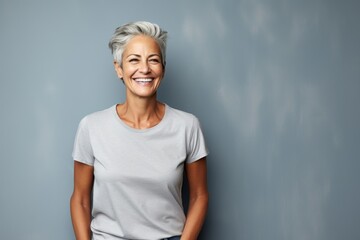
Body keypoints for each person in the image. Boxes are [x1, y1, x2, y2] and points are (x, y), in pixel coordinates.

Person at [70, 21, 209, 240]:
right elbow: (80, 199)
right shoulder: (91, 127)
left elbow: (199, 196)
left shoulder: (187, 126)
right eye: (134, 60)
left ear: (163, 68)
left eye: (153, 60)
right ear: (119, 68)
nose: (144, 69)